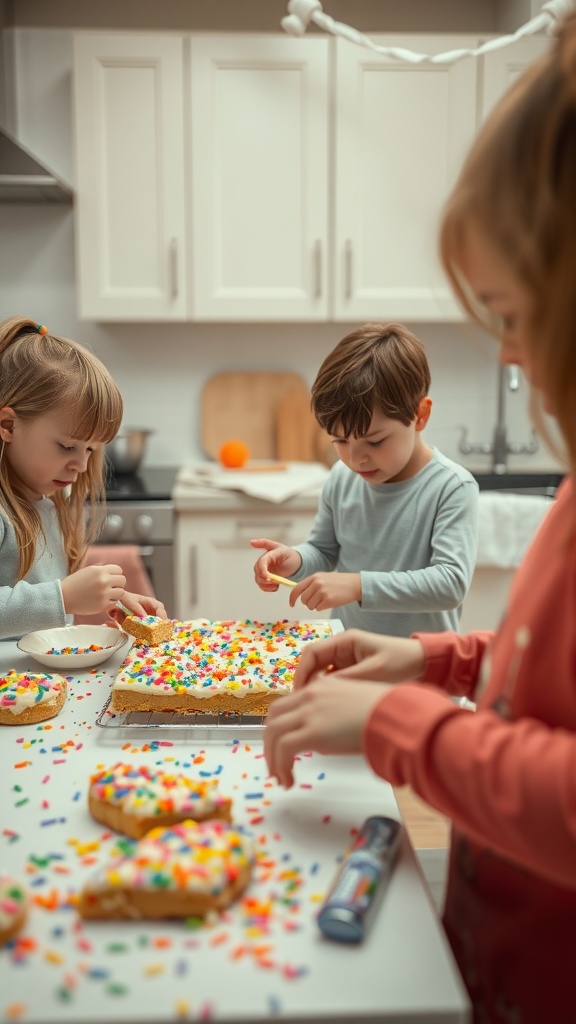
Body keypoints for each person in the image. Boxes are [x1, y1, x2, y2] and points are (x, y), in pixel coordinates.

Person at [264, 13, 576, 1024]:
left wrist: (409, 719)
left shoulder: (447, 484)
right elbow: (543, 680)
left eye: (521, 317)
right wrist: (438, 667)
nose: (516, 360)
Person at [252, 322, 478, 636]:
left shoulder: (451, 488)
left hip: (422, 672)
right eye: (340, 442)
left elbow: (450, 584)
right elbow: (325, 550)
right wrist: (295, 559)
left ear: (420, 416)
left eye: (374, 442)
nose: (356, 459)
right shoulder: (342, 478)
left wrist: (358, 585)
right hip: (347, 662)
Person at [0, 316, 166, 640]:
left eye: (91, 449)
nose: (81, 464)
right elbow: (52, 597)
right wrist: (63, 597)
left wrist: (116, 597)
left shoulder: (50, 500)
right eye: (67, 446)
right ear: (8, 426)